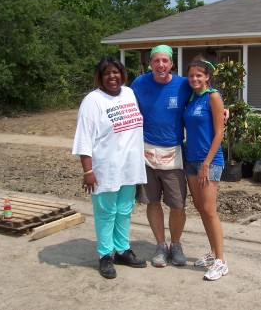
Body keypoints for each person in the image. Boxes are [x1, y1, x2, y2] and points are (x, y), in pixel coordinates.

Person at [72, 56, 147, 279]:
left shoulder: (129, 93)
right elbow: (84, 139)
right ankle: (105, 255)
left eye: (115, 72)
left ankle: (122, 250)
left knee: (124, 210)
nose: (112, 77)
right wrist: (88, 171)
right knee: (106, 213)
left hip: (129, 168)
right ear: (100, 77)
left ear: (122, 74)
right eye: (106, 73)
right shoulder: (92, 101)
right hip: (104, 169)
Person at [131, 45, 192, 268]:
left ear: (172, 64)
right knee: (152, 201)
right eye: (156, 60)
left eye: (165, 60)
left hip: (173, 153)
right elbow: (124, 102)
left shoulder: (183, 84)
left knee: (177, 205)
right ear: (150, 64)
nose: (160, 65)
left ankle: (176, 244)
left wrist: (222, 107)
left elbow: (207, 92)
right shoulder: (139, 83)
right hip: (146, 152)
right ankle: (160, 244)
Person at [183, 56, 228, 281]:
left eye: (199, 75)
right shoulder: (192, 97)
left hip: (208, 161)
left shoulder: (213, 96)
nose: (194, 78)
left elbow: (220, 132)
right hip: (190, 161)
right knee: (201, 208)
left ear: (207, 77)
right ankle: (212, 253)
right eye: (191, 75)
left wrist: (206, 164)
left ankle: (221, 261)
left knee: (210, 210)